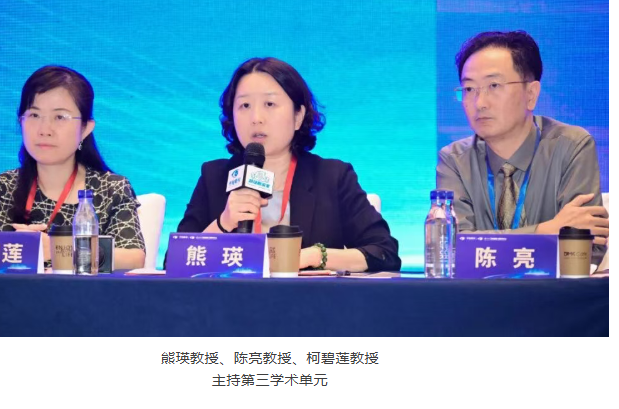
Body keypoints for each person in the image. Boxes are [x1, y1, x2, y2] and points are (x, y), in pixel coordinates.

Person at [176, 57, 401, 272]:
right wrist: (223, 223)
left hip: (307, 299)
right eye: (244, 105)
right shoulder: (214, 177)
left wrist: (316, 256)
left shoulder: (332, 177)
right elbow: (174, 263)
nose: (256, 118)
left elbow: (385, 252)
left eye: (270, 104)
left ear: (298, 116)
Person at [436, 31, 608, 264]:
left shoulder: (571, 146)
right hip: (478, 289)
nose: (480, 103)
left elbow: (586, 248)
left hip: (553, 288)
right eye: (468, 89)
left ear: (531, 94)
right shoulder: (454, 160)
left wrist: (488, 246)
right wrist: (545, 232)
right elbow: (453, 252)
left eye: (494, 85)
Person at [0, 65, 146, 270]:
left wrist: (59, 249)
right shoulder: (5, 187)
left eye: (60, 117)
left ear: (85, 128)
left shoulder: (111, 189)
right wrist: (16, 247)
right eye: (34, 115)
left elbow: (134, 257)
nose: (44, 130)